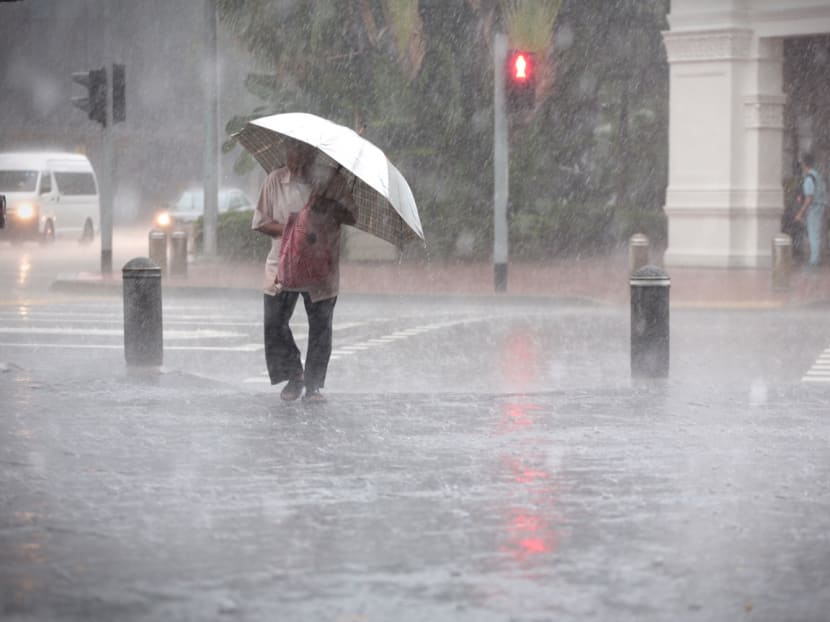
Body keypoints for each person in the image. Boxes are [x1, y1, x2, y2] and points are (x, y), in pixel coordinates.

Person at [252, 143, 354, 403]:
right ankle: (292, 375)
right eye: (291, 156)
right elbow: (261, 222)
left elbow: (350, 216)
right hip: (281, 264)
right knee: (274, 322)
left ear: (313, 155)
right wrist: (293, 230)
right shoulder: (275, 180)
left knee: (320, 327)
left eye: (302, 156)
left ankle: (313, 385)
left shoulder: (333, 180)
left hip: (321, 266)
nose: (295, 164)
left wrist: (327, 206)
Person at [794, 152, 827, 268]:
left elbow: (809, 198)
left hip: (814, 208)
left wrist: (800, 212)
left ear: (803, 163)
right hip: (820, 206)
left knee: (814, 234)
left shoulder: (809, 178)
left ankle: (814, 262)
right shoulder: (817, 175)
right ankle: (816, 259)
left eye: (800, 162)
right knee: (816, 233)